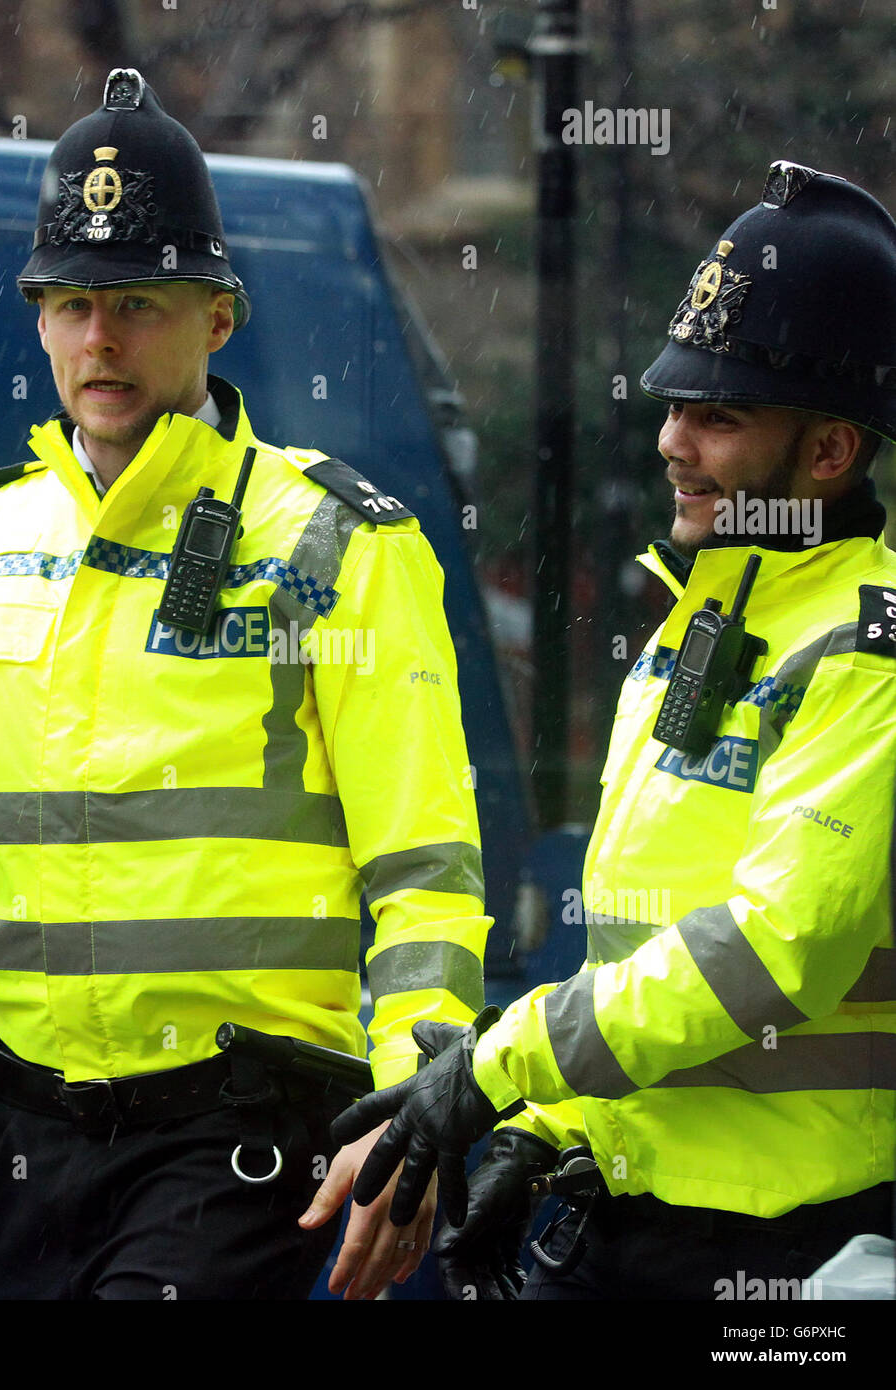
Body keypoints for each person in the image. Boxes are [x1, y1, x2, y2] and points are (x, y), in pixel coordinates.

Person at [0, 69, 491, 1301]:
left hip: (238, 1135)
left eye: (141, 303)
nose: (102, 338)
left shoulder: (336, 542)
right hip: (27, 1140)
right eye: (74, 304)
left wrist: (413, 1104)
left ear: (217, 317)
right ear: (40, 321)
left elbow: (423, 866)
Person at [333, 160, 896, 1299]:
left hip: (795, 1253)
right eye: (675, 406)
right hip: (628, 1218)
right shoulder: (696, 627)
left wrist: (501, 1065)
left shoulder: (868, 654)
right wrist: (548, 1130)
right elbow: (637, 950)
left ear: (830, 454)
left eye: (718, 416)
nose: (671, 443)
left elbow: (769, 949)